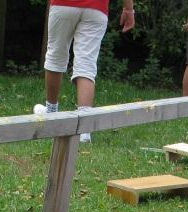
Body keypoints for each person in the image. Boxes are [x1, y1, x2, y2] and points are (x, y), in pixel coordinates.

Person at [35, 0, 135, 142]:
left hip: (63, 4)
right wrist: (128, 9)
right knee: (86, 65)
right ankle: (85, 129)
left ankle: (51, 114)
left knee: (55, 57)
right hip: (97, 8)